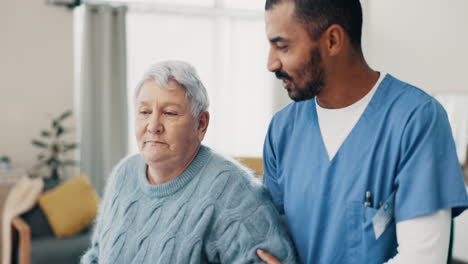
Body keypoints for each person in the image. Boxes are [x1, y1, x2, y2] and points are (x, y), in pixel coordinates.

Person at [256, 0, 468, 263]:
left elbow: (423, 258)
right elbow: (271, 245)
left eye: (282, 46)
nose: (271, 63)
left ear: (333, 40)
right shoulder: (283, 129)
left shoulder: (416, 120)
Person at [81, 61, 298, 263]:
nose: (153, 125)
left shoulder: (231, 189)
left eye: (169, 113)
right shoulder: (123, 174)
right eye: (144, 112)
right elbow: (96, 254)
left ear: (201, 124)